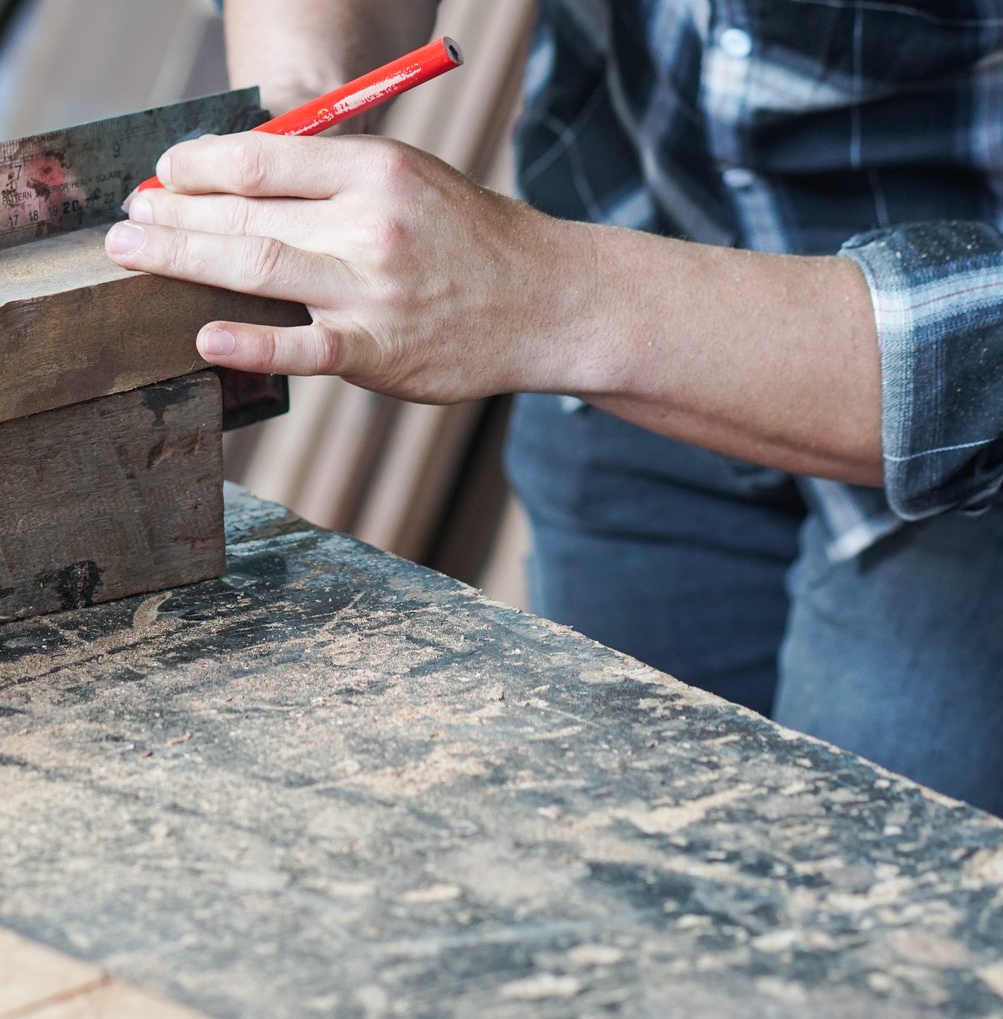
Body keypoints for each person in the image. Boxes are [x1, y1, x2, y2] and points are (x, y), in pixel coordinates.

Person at [108, 0, 1003, 811]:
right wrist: (297, 106)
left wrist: (540, 295)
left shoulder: (550, 298)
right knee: (621, 867)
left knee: (866, 924)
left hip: (955, 434)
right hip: (631, 232)